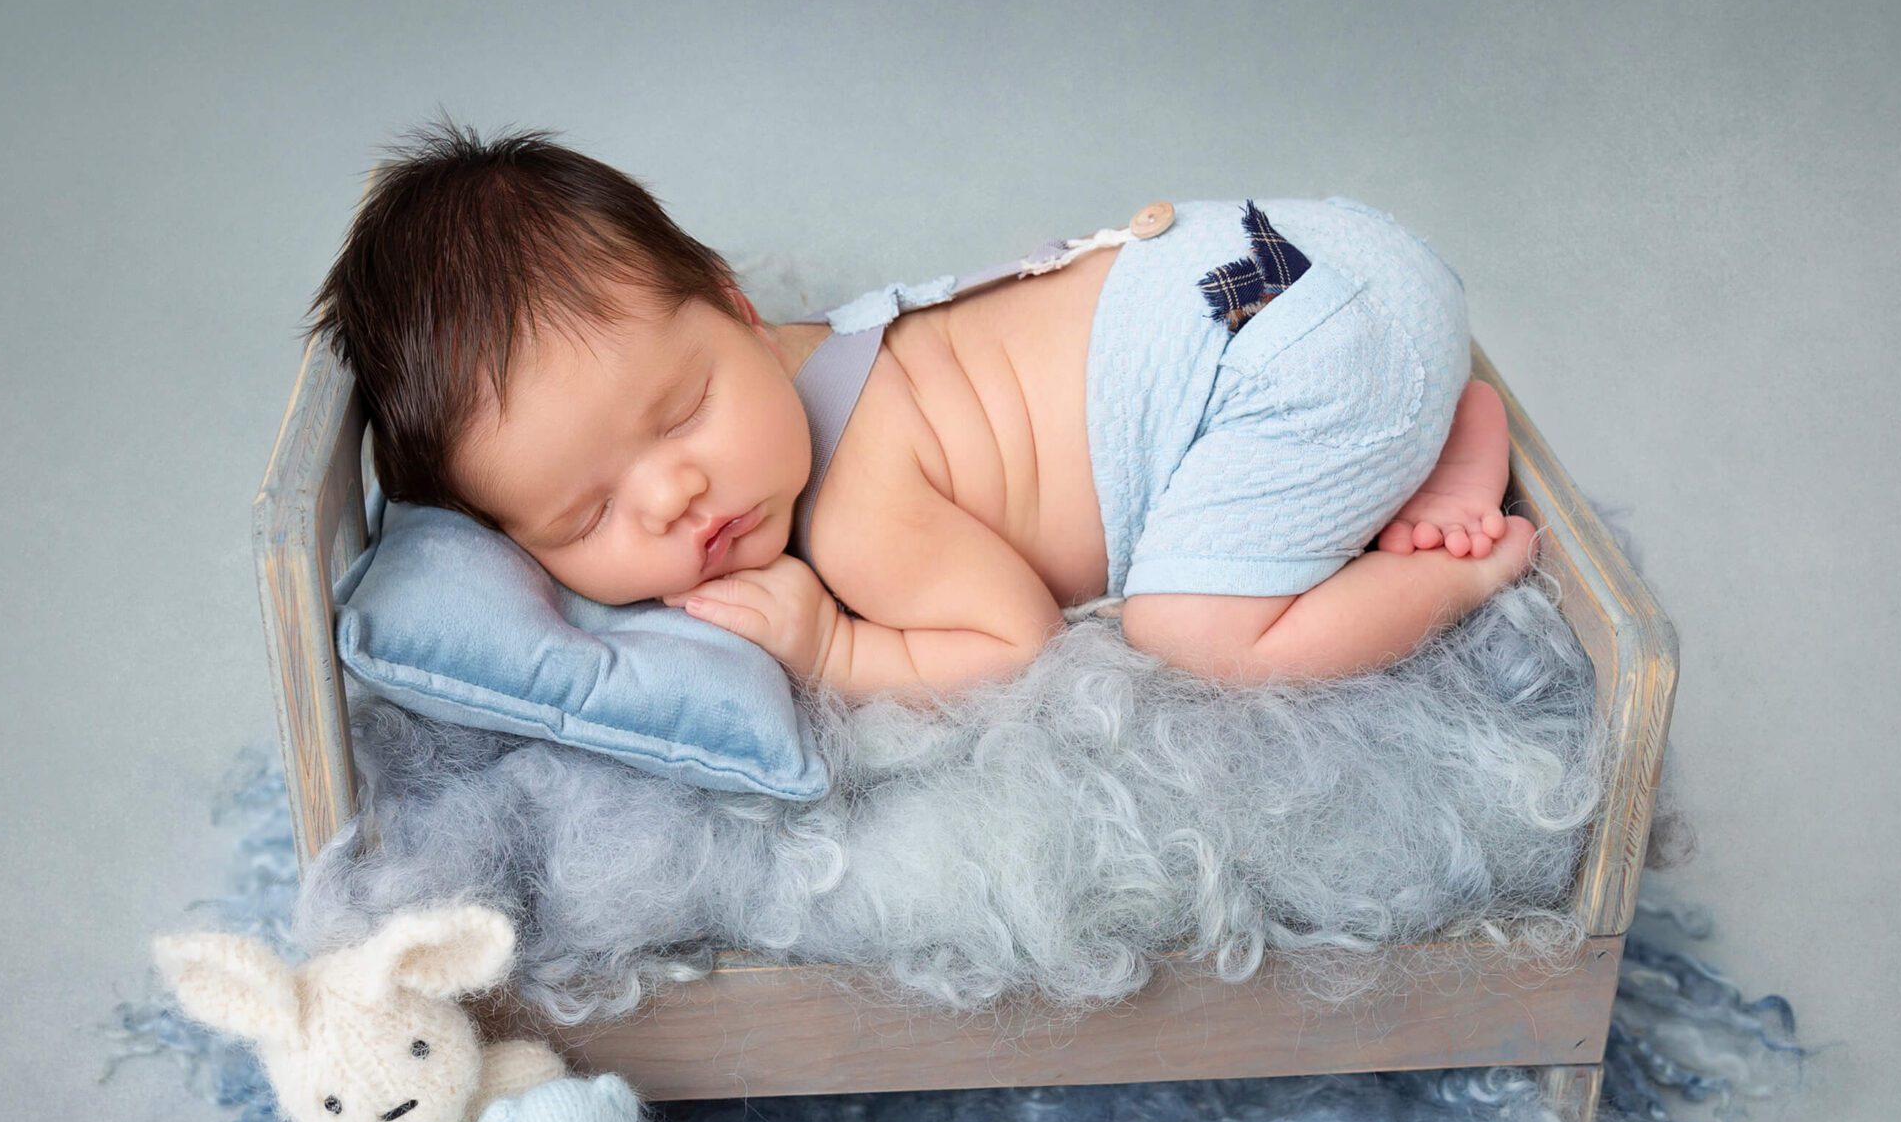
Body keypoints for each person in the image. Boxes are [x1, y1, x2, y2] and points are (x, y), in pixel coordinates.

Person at [306, 122, 1535, 700]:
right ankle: (1439, 449)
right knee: (1293, 432)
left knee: (1192, 633)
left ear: (734, 307)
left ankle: (1462, 572)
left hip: (1291, 352)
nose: (673, 495)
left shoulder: (853, 507)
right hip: (1328, 259)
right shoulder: (813, 351)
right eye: (587, 513)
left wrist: (832, 650)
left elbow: (1015, 645)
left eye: (679, 415)